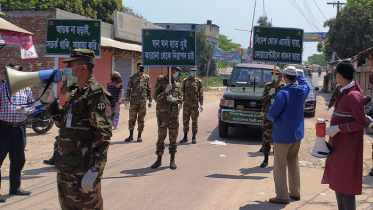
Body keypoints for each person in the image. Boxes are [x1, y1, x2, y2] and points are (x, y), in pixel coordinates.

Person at [41, 49, 115, 209]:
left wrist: (95, 170)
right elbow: (64, 124)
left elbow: (103, 137)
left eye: (71, 65)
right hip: (66, 169)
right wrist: (51, 103)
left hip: (83, 172)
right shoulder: (75, 95)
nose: (66, 70)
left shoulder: (96, 95)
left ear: (82, 68)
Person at [321, 60, 366, 210]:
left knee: (346, 188)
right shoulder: (344, 92)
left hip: (347, 149)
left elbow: (361, 122)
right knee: (338, 185)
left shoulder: (353, 95)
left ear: (339, 76)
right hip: (339, 147)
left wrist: (339, 128)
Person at [267, 66, 310, 204]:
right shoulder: (302, 90)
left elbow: (272, 114)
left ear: (285, 76)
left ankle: (282, 195)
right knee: (293, 162)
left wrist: (269, 115)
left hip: (282, 135)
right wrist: (300, 75)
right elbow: (305, 85)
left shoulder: (283, 93)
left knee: (280, 165)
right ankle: (295, 192)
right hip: (296, 134)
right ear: (296, 77)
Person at [0, 63, 35, 200]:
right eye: (14, 72)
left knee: (18, 159)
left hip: (19, 129)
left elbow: (32, 105)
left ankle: (15, 187)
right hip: (3, 128)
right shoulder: (1, 89)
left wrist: (26, 110)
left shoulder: (26, 90)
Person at [151, 67, 182, 170]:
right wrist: (165, 92)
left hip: (173, 115)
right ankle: (158, 159)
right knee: (161, 137)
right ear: (169, 71)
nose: (176, 72)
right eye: (175, 70)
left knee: (173, 138)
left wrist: (174, 99)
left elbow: (181, 98)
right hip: (162, 115)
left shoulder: (178, 83)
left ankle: (172, 160)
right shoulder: (160, 81)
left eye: (177, 71)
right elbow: (156, 98)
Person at [259, 68, 284, 168]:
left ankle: (277, 160)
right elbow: (263, 101)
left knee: (279, 139)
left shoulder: (283, 88)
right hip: (268, 115)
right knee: (266, 137)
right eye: (274, 74)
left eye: (277, 74)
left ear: (281, 76)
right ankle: (265, 159)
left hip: (280, 117)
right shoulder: (269, 86)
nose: (276, 76)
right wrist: (269, 94)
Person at [124, 63, 152, 142]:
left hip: (142, 102)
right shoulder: (133, 77)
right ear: (137, 68)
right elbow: (129, 88)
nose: (142, 68)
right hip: (133, 101)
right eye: (140, 67)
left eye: (143, 67)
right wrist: (126, 99)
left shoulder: (146, 78)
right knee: (132, 119)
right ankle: (131, 135)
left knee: (141, 119)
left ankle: (139, 136)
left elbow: (149, 89)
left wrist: (150, 100)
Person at [179, 67, 203, 144]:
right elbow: (182, 92)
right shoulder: (185, 81)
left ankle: (193, 137)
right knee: (185, 122)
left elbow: (201, 94)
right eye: (192, 71)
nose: (193, 72)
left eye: (194, 71)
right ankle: (185, 137)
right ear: (189, 71)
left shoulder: (198, 82)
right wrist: (180, 102)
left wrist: (201, 104)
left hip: (194, 106)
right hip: (186, 105)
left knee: (194, 122)